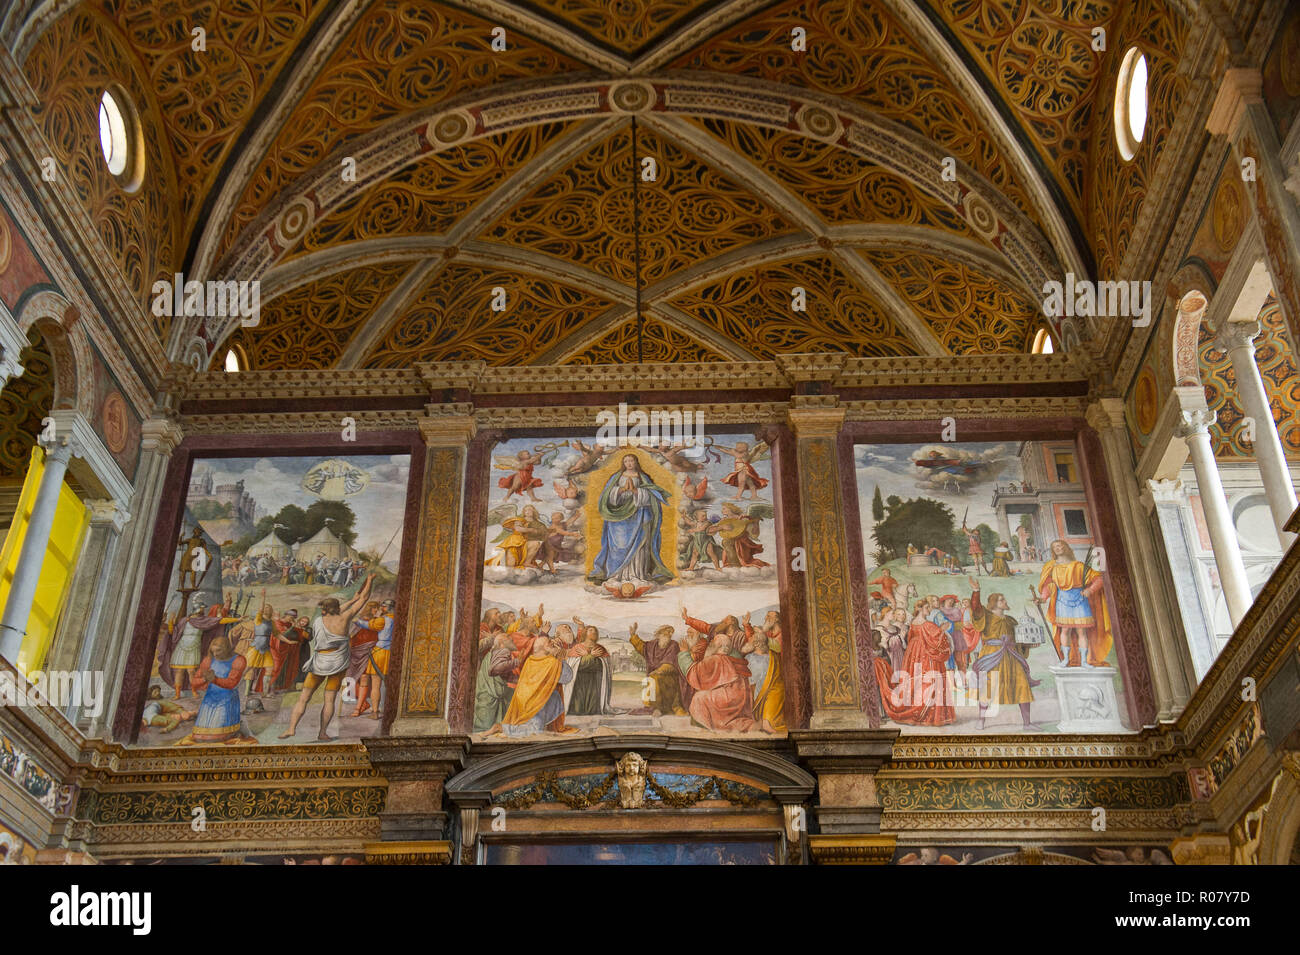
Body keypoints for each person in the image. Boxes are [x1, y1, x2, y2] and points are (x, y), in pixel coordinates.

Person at [280, 574, 374, 740]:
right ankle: (322, 732)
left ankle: (291, 729)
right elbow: (364, 598)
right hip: (337, 663)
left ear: (324, 609)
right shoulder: (344, 618)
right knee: (329, 700)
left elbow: (335, 610)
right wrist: (370, 580)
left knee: (303, 698)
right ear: (337, 609)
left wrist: (352, 600)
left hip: (319, 663)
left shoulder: (318, 620)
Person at [587, 453, 674, 586]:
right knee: (617, 546)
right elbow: (606, 497)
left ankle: (637, 575)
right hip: (618, 519)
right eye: (626, 461)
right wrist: (621, 490)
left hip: (639, 516)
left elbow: (651, 496)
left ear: (636, 462)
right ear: (623, 463)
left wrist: (635, 491)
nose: (629, 463)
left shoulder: (643, 478)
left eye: (631, 461)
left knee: (639, 546)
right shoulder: (616, 477)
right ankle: (616, 575)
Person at [968, 579, 1039, 730]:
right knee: (988, 687)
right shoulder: (986, 616)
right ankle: (981, 720)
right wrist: (976, 591)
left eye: (1004, 599)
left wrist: (1028, 646)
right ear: (993, 603)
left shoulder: (1011, 620)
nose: (1005, 601)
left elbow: (1019, 640)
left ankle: (1027, 724)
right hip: (992, 656)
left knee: (1022, 685)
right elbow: (975, 608)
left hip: (1012, 656)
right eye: (1001, 600)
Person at [874, 598, 955, 726]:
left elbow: (911, 638)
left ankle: (921, 710)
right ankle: (929, 714)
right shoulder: (928, 624)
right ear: (921, 609)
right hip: (927, 655)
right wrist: (943, 630)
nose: (929, 610)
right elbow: (936, 640)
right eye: (927, 608)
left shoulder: (913, 623)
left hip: (914, 654)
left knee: (917, 681)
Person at [1035, 540, 1112, 667]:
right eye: (1055, 547)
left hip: (1080, 600)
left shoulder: (1079, 566)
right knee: (1065, 630)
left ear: (1066, 547)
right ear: (1053, 551)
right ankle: (1066, 659)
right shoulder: (1052, 567)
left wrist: (1090, 590)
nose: (1058, 548)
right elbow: (1049, 586)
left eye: (1060, 545)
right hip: (1062, 601)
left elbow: (1099, 579)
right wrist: (1043, 598)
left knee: (1081, 631)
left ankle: (1083, 661)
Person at [679, 607, 754, 731]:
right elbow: (704, 626)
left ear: (731, 623)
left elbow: (695, 673)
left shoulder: (736, 639)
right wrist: (688, 619)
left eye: (725, 620)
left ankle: (708, 727)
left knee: (699, 699)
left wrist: (683, 654)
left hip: (729, 694)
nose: (722, 621)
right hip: (737, 692)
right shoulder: (717, 632)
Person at [491, 637, 578, 736]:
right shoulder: (551, 662)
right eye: (550, 643)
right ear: (545, 648)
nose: (552, 644)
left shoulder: (530, 660)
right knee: (535, 730)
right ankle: (501, 728)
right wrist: (560, 659)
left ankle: (505, 728)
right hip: (537, 702)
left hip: (525, 701)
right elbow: (567, 678)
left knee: (536, 724)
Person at [176, 634, 251, 745]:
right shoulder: (208, 660)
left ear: (226, 649)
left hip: (226, 700)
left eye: (219, 651)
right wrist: (205, 679)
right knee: (201, 736)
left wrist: (214, 679)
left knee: (219, 736)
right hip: (209, 700)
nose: (215, 654)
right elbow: (194, 682)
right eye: (213, 651)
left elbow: (232, 683)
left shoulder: (239, 660)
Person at [629, 623, 685, 716]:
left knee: (654, 677)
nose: (668, 636)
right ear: (659, 635)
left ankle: (654, 708)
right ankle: (653, 707)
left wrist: (658, 671)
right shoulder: (652, 645)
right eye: (665, 634)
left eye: (670, 634)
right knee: (653, 678)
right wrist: (633, 635)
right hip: (655, 677)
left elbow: (669, 664)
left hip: (669, 680)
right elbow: (642, 647)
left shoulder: (673, 645)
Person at [745, 610, 785, 732]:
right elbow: (756, 641)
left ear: (777, 619)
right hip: (766, 671)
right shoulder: (767, 634)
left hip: (777, 675)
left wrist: (760, 633)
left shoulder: (782, 635)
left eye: (769, 616)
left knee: (774, 692)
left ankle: (768, 722)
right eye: (766, 616)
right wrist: (747, 626)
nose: (766, 618)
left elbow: (776, 646)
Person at [566, 625, 613, 716]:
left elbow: (601, 667)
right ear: (585, 633)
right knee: (578, 708)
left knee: (592, 709)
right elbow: (577, 666)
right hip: (578, 682)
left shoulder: (601, 649)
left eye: (595, 631)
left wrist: (587, 657)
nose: (594, 632)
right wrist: (591, 656)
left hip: (595, 682)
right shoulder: (577, 648)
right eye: (590, 630)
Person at [474, 630, 516, 732]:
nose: (512, 640)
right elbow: (498, 684)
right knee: (483, 728)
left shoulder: (494, 654)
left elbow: (505, 677)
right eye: (508, 639)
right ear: (501, 644)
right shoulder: (501, 654)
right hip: (488, 698)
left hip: (490, 694)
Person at [244, 593, 275, 697]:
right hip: (256, 646)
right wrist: (263, 598)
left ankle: (265, 693)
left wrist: (289, 641)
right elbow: (260, 610)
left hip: (266, 648)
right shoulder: (258, 619)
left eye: (268, 608)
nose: (266, 609)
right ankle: (234, 685)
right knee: (248, 667)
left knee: (270, 668)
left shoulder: (271, 622)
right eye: (265, 607)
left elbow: (277, 634)